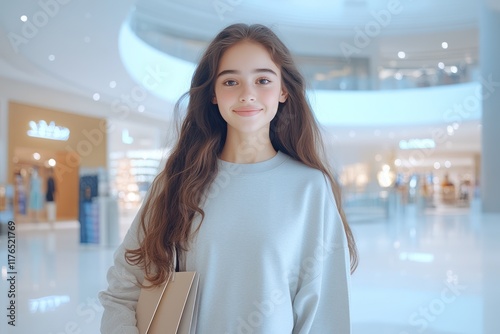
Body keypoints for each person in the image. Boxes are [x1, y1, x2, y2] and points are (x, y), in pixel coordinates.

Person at [99, 23, 358, 333]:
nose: (247, 95)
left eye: (263, 80)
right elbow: (123, 288)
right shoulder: (177, 181)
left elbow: (325, 315)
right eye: (231, 81)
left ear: (284, 90)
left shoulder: (309, 188)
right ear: (213, 94)